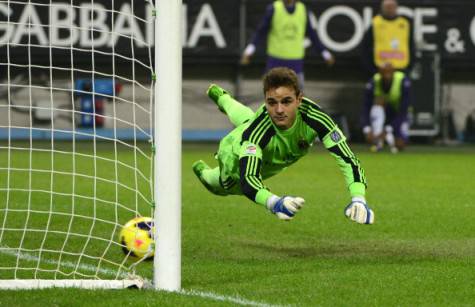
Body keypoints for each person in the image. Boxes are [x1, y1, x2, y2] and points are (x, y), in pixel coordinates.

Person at [192, 67, 374, 224]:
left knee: (247, 118)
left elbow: (347, 158)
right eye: (272, 103)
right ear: (265, 102)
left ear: (299, 99)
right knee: (222, 185)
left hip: (262, 139)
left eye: (286, 101)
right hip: (234, 156)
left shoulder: (316, 118)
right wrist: (274, 203)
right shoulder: (256, 134)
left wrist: (358, 198)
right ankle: (203, 172)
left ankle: (223, 99)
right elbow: (248, 179)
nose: (279, 110)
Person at [240, 0, 335, 87]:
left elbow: (312, 35)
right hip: (275, 61)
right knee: (271, 94)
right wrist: (249, 51)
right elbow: (261, 32)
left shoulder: (303, 10)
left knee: (297, 97)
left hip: (296, 63)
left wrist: (325, 54)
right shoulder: (274, 8)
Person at [362, 63, 411, 153]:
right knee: (378, 101)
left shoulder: (402, 80)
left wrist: (387, 130)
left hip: (398, 116)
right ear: (380, 73)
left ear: (393, 72)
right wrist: (367, 129)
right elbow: (366, 107)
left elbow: (403, 110)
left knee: (400, 144)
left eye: (389, 73)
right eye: (383, 73)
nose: (386, 76)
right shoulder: (374, 81)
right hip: (382, 115)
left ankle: (387, 139)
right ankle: (378, 139)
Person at [361, 0, 414, 76]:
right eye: (387, 7)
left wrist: (409, 67)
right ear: (382, 8)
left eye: (392, 7)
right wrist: (371, 70)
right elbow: (366, 47)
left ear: (396, 8)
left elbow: (411, 45)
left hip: (402, 68)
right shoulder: (375, 23)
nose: (390, 9)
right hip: (380, 69)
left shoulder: (404, 24)